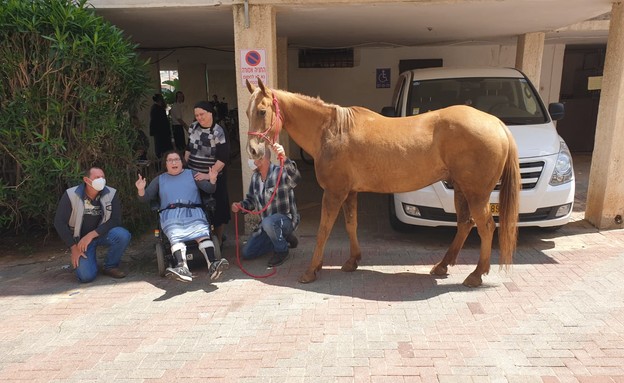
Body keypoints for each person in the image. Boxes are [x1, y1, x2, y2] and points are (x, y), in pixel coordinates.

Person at [136, 151, 229, 282]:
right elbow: (145, 198)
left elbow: (209, 189)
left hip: (193, 211)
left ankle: (213, 264)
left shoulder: (191, 174)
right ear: (165, 164)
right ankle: (182, 267)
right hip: (171, 214)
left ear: (182, 162)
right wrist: (141, 189)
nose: (174, 162)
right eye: (170, 160)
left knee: (201, 232)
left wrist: (212, 180)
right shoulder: (160, 179)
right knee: (175, 233)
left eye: (177, 159)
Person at [54, 167, 131, 283]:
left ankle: (110, 266)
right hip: (81, 241)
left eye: (103, 177)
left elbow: (115, 220)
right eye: (97, 177)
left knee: (123, 235)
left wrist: (91, 235)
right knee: (86, 277)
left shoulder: (111, 193)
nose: (101, 180)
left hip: (101, 234)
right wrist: (73, 248)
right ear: (86, 180)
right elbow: (59, 222)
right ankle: (88, 262)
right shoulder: (71, 195)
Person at [231, 143, 300, 267]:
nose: (250, 161)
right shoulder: (255, 178)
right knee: (247, 253)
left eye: (252, 157)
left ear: (262, 159)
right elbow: (251, 201)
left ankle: (282, 250)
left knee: (269, 222)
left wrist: (284, 158)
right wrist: (240, 205)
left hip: (286, 220)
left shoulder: (280, 172)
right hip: (266, 225)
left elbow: (296, 178)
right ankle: (284, 238)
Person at [185, 101, 231, 247]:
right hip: (193, 175)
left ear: (210, 113)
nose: (199, 117)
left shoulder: (218, 131)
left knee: (218, 210)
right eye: (196, 115)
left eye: (202, 114)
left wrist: (207, 176)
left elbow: (223, 158)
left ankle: (218, 240)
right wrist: (184, 169)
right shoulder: (193, 127)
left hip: (213, 177)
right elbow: (188, 148)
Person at [149, 93, 172, 170]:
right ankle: (162, 167)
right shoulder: (157, 109)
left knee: (162, 149)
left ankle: (163, 166)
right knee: (162, 150)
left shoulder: (155, 109)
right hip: (161, 133)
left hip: (160, 133)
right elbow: (161, 122)